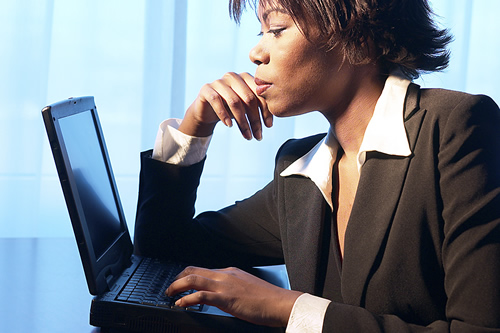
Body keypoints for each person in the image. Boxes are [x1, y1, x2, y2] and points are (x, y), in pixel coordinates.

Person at [134, 0, 500, 331]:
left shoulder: (456, 128)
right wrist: (194, 128)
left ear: (361, 38)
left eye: (276, 30)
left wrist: (289, 309)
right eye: (260, 32)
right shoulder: (299, 170)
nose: (255, 52)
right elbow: (164, 248)